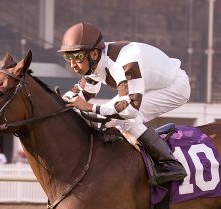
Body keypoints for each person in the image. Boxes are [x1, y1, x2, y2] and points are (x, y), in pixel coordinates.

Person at [58, 22, 190, 185]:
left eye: (76, 57)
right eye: (68, 57)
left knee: (124, 119)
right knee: (106, 119)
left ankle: (171, 164)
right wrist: (58, 104)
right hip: (150, 85)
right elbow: (85, 91)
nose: (72, 64)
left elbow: (129, 109)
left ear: (92, 54)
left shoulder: (125, 64)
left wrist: (90, 107)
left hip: (174, 87)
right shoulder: (96, 60)